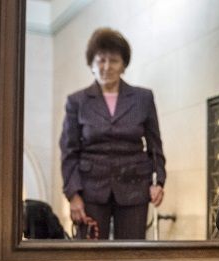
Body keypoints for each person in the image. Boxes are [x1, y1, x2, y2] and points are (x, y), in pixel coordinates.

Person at [60, 27, 166, 240]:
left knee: (131, 255)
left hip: (135, 187)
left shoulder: (143, 98)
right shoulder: (77, 101)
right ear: (92, 63)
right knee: (89, 260)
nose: (107, 67)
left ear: (123, 65)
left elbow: (155, 146)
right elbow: (69, 151)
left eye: (114, 61)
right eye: (101, 60)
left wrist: (158, 181)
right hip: (90, 190)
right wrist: (73, 195)